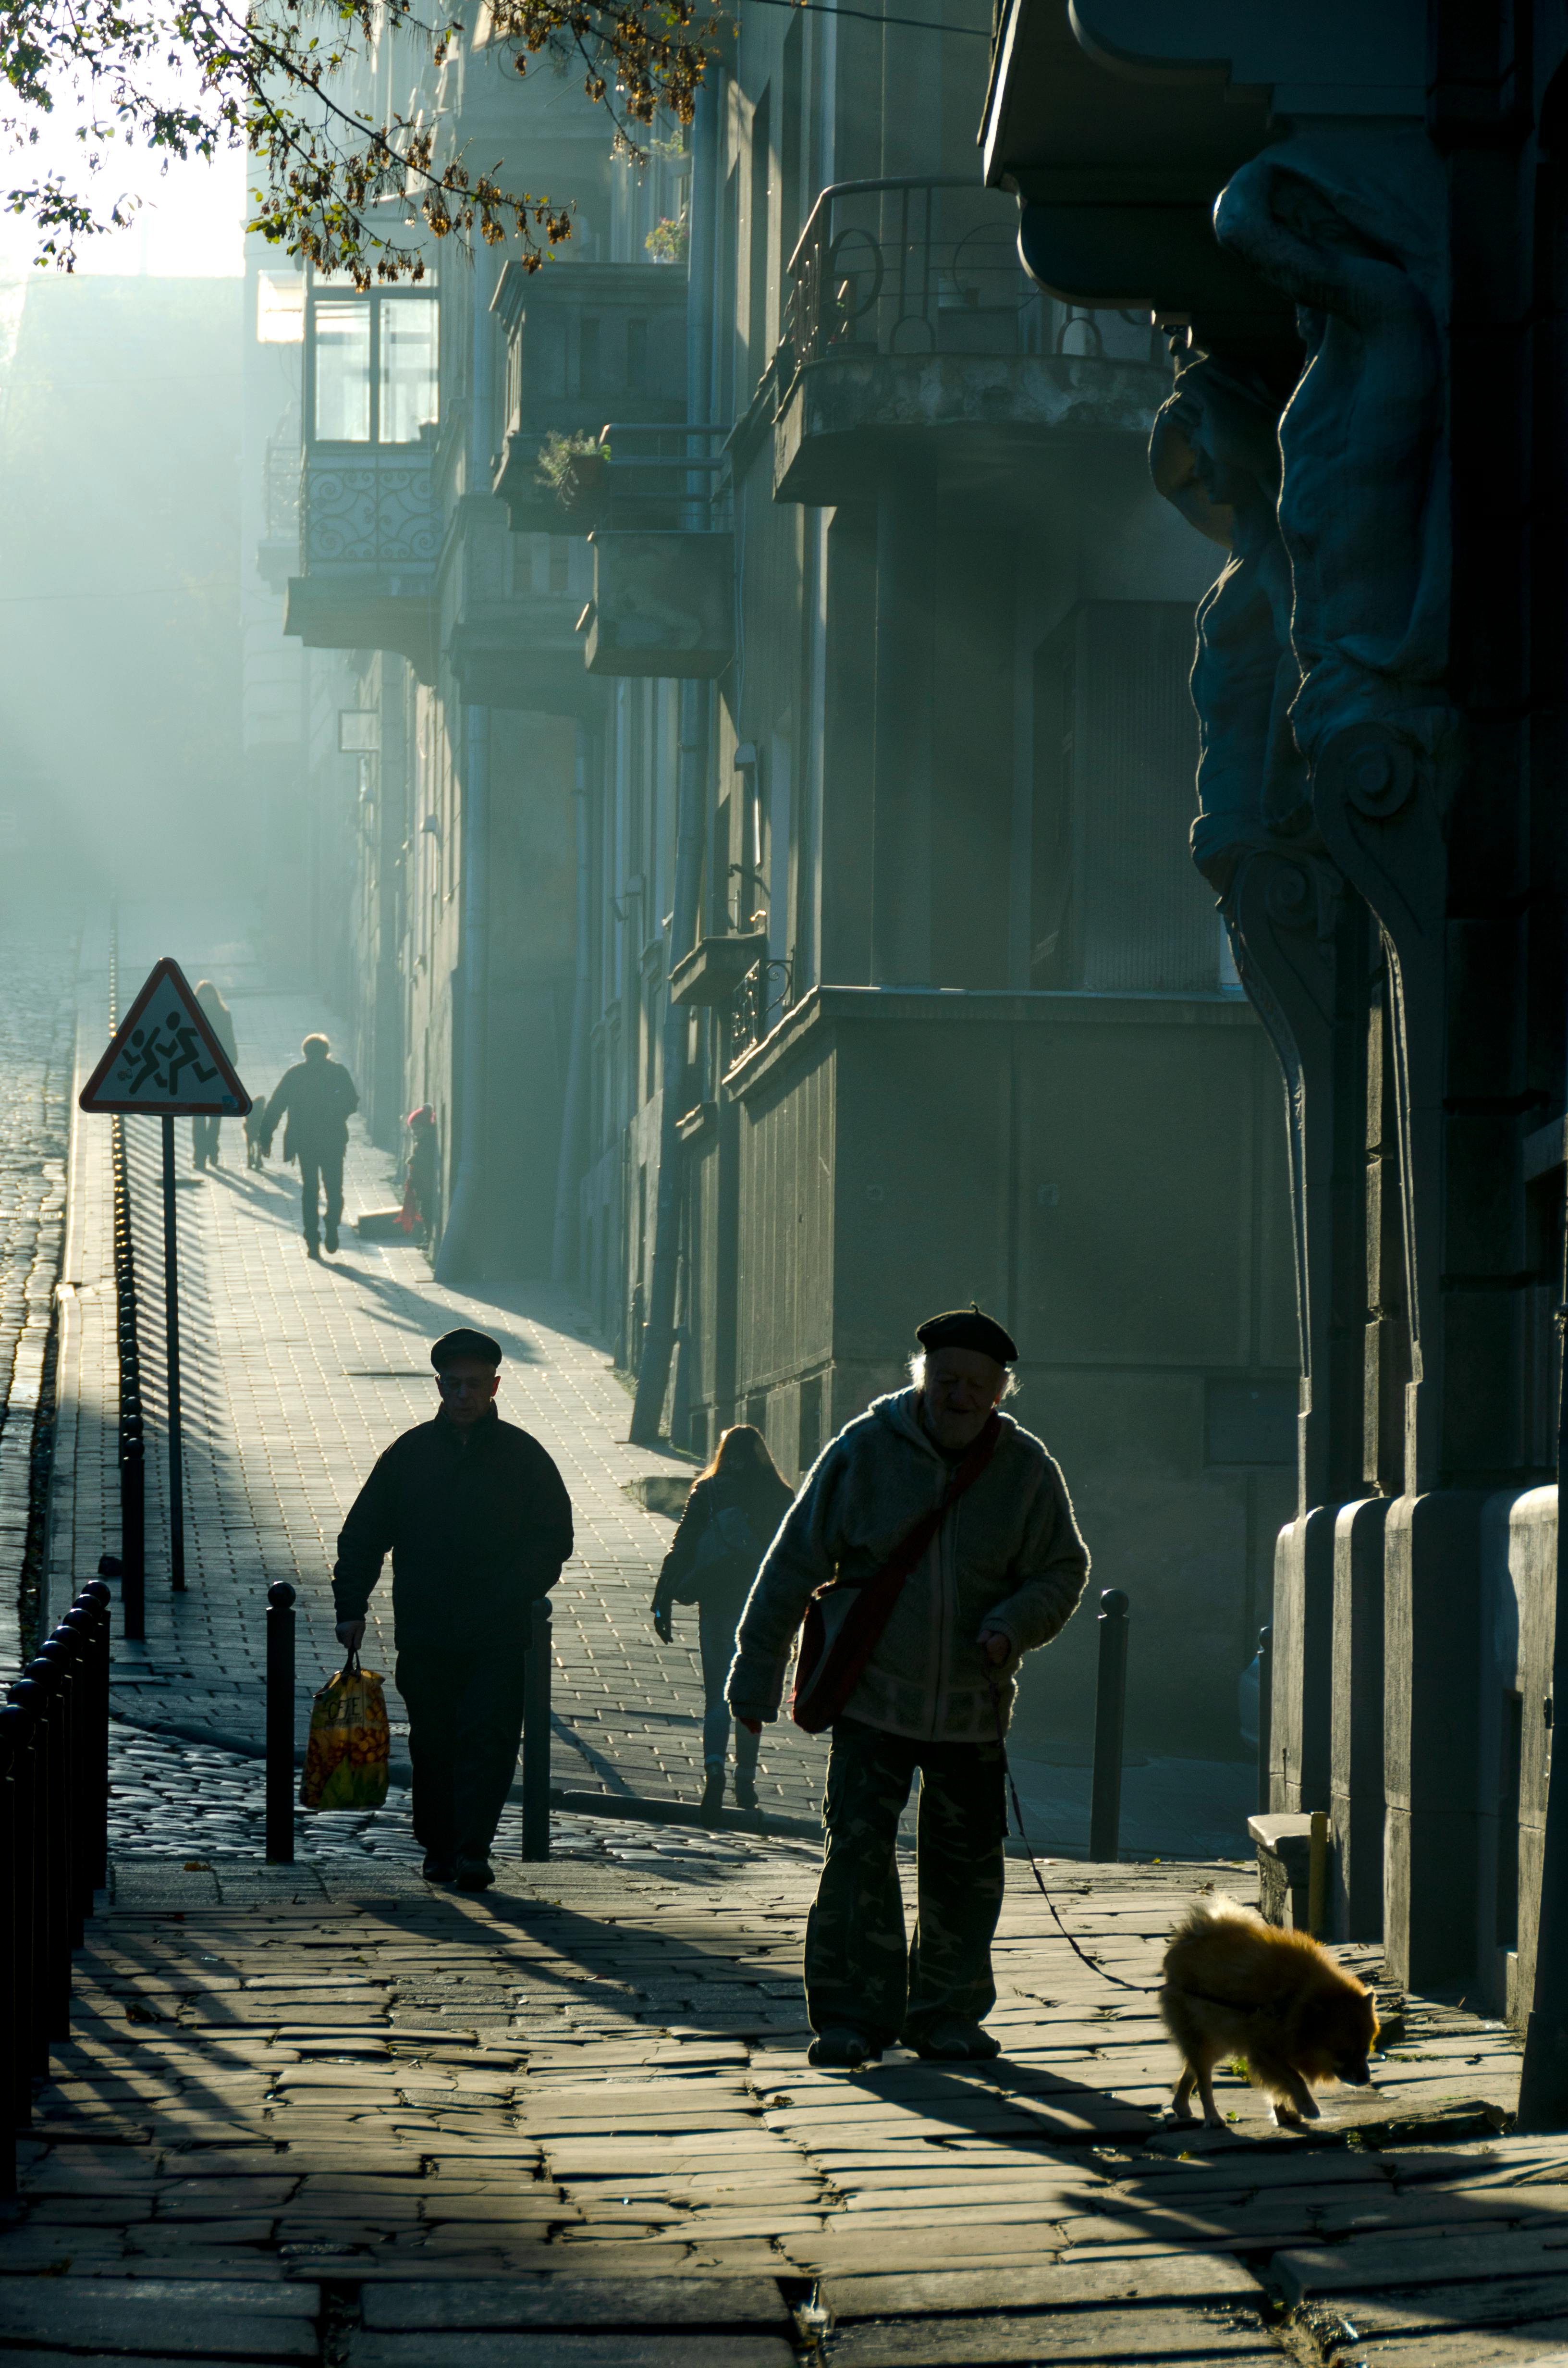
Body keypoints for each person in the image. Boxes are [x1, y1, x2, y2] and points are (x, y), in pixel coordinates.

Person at [726, 1306, 1090, 2070]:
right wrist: (754, 1678)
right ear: (922, 1379)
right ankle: (852, 2018)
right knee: (857, 1856)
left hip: (972, 1708)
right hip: (872, 1699)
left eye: (979, 1388)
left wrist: (1013, 1624)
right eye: (948, 1380)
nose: (961, 1397)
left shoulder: (1026, 1470)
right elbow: (793, 1562)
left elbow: (1064, 1569)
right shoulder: (864, 1451)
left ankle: (946, 2015)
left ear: (1000, 1394)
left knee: (966, 1869)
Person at [332, 1326, 574, 1889]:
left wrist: (517, 1585)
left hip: (498, 1630)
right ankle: (438, 1846)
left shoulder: (522, 1454)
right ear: (439, 1386)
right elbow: (364, 1532)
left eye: (472, 1385)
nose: (462, 1395)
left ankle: (473, 1848)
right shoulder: (410, 1454)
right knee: (434, 1741)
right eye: (451, 1384)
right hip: (427, 1629)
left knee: (489, 1739)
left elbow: (553, 1535)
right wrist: (352, 1604)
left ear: (494, 1386)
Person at [651, 1425, 794, 1823]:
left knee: (716, 1696)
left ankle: (713, 1769)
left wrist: (663, 1599)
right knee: (750, 1695)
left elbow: (683, 1545)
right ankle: (745, 1782)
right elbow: (794, 1555)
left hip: (716, 1602)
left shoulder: (709, 1490)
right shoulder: (779, 1496)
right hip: (761, 1607)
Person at [262, 1033, 359, 1258]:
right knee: (334, 1188)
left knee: (310, 1190)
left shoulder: (295, 1074)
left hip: (304, 1140)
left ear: (305, 1053)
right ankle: (332, 1224)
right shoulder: (338, 1072)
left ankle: (312, 1239)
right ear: (327, 1052)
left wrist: (266, 1135)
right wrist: (337, 1114)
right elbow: (352, 1101)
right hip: (332, 1139)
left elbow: (277, 1105)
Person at [191, 981, 237, 1172]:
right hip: (197, 1073)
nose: (207, 999)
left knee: (217, 1115)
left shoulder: (224, 1016)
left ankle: (212, 1146)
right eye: (203, 995)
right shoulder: (192, 1016)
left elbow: (229, 1040)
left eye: (209, 995)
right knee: (199, 1117)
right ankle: (200, 1154)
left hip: (219, 1071)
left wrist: (232, 1063)